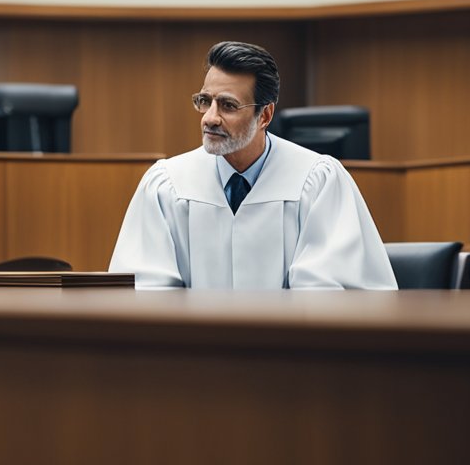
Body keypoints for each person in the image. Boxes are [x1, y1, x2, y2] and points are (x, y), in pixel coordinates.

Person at [108, 41, 396, 289]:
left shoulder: (318, 181)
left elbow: (329, 297)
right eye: (204, 101)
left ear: (265, 115)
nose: (209, 118)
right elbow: (145, 293)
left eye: (228, 105)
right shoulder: (167, 185)